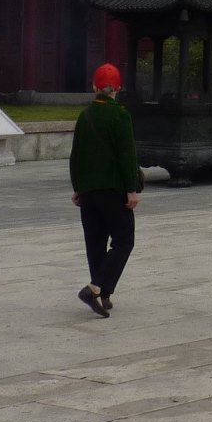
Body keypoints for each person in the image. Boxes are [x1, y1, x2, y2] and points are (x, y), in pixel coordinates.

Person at [70, 64, 140, 317]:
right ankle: (96, 288)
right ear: (118, 88)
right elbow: (126, 155)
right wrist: (131, 189)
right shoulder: (120, 115)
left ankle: (101, 294)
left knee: (95, 242)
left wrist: (78, 188)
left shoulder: (85, 115)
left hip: (88, 191)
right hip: (113, 189)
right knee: (123, 241)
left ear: (94, 87)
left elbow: (75, 155)